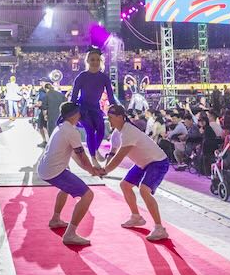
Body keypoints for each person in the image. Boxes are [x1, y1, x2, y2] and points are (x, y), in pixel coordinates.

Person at [99, 105, 170, 242]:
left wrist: (105, 171)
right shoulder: (116, 133)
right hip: (143, 163)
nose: (109, 120)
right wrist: (104, 168)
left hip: (158, 162)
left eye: (111, 117)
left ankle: (159, 228)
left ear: (120, 117)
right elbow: (112, 154)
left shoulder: (129, 131)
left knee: (144, 190)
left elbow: (119, 157)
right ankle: (136, 217)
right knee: (125, 185)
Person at [38, 102, 103, 246]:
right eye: (78, 113)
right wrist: (92, 169)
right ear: (74, 114)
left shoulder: (61, 127)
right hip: (54, 171)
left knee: (65, 188)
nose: (80, 115)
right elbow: (81, 156)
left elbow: (75, 155)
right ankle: (70, 234)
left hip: (45, 168)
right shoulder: (71, 131)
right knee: (88, 195)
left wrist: (90, 169)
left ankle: (55, 219)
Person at [70, 48, 118, 159]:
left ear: (100, 61)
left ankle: (94, 150)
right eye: (92, 60)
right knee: (90, 130)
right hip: (83, 108)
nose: (95, 62)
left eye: (97, 60)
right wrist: (72, 111)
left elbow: (111, 96)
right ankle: (93, 158)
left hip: (96, 108)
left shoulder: (104, 78)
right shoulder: (82, 76)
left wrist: (116, 108)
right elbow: (74, 96)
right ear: (87, 61)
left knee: (101, 131)